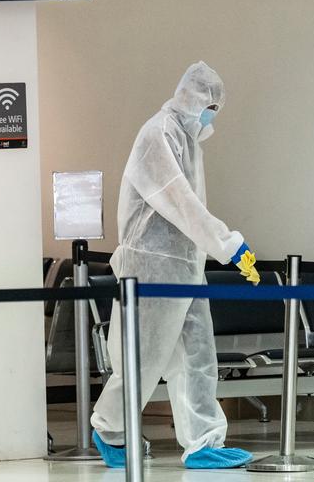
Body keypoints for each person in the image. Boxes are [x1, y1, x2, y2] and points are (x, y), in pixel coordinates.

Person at [91, 61, 255, 470]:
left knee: (198, 353)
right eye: (210, 106)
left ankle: (203, 441)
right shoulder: (158, 134)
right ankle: (109, 429)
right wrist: (227, 243)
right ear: (194, 98)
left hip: (185, 265)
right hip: (151, 268)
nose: (211, 115)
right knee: (143, 358)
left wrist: (216, 246)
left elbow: (189, 207)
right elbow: (178, 199)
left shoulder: (188, 140)